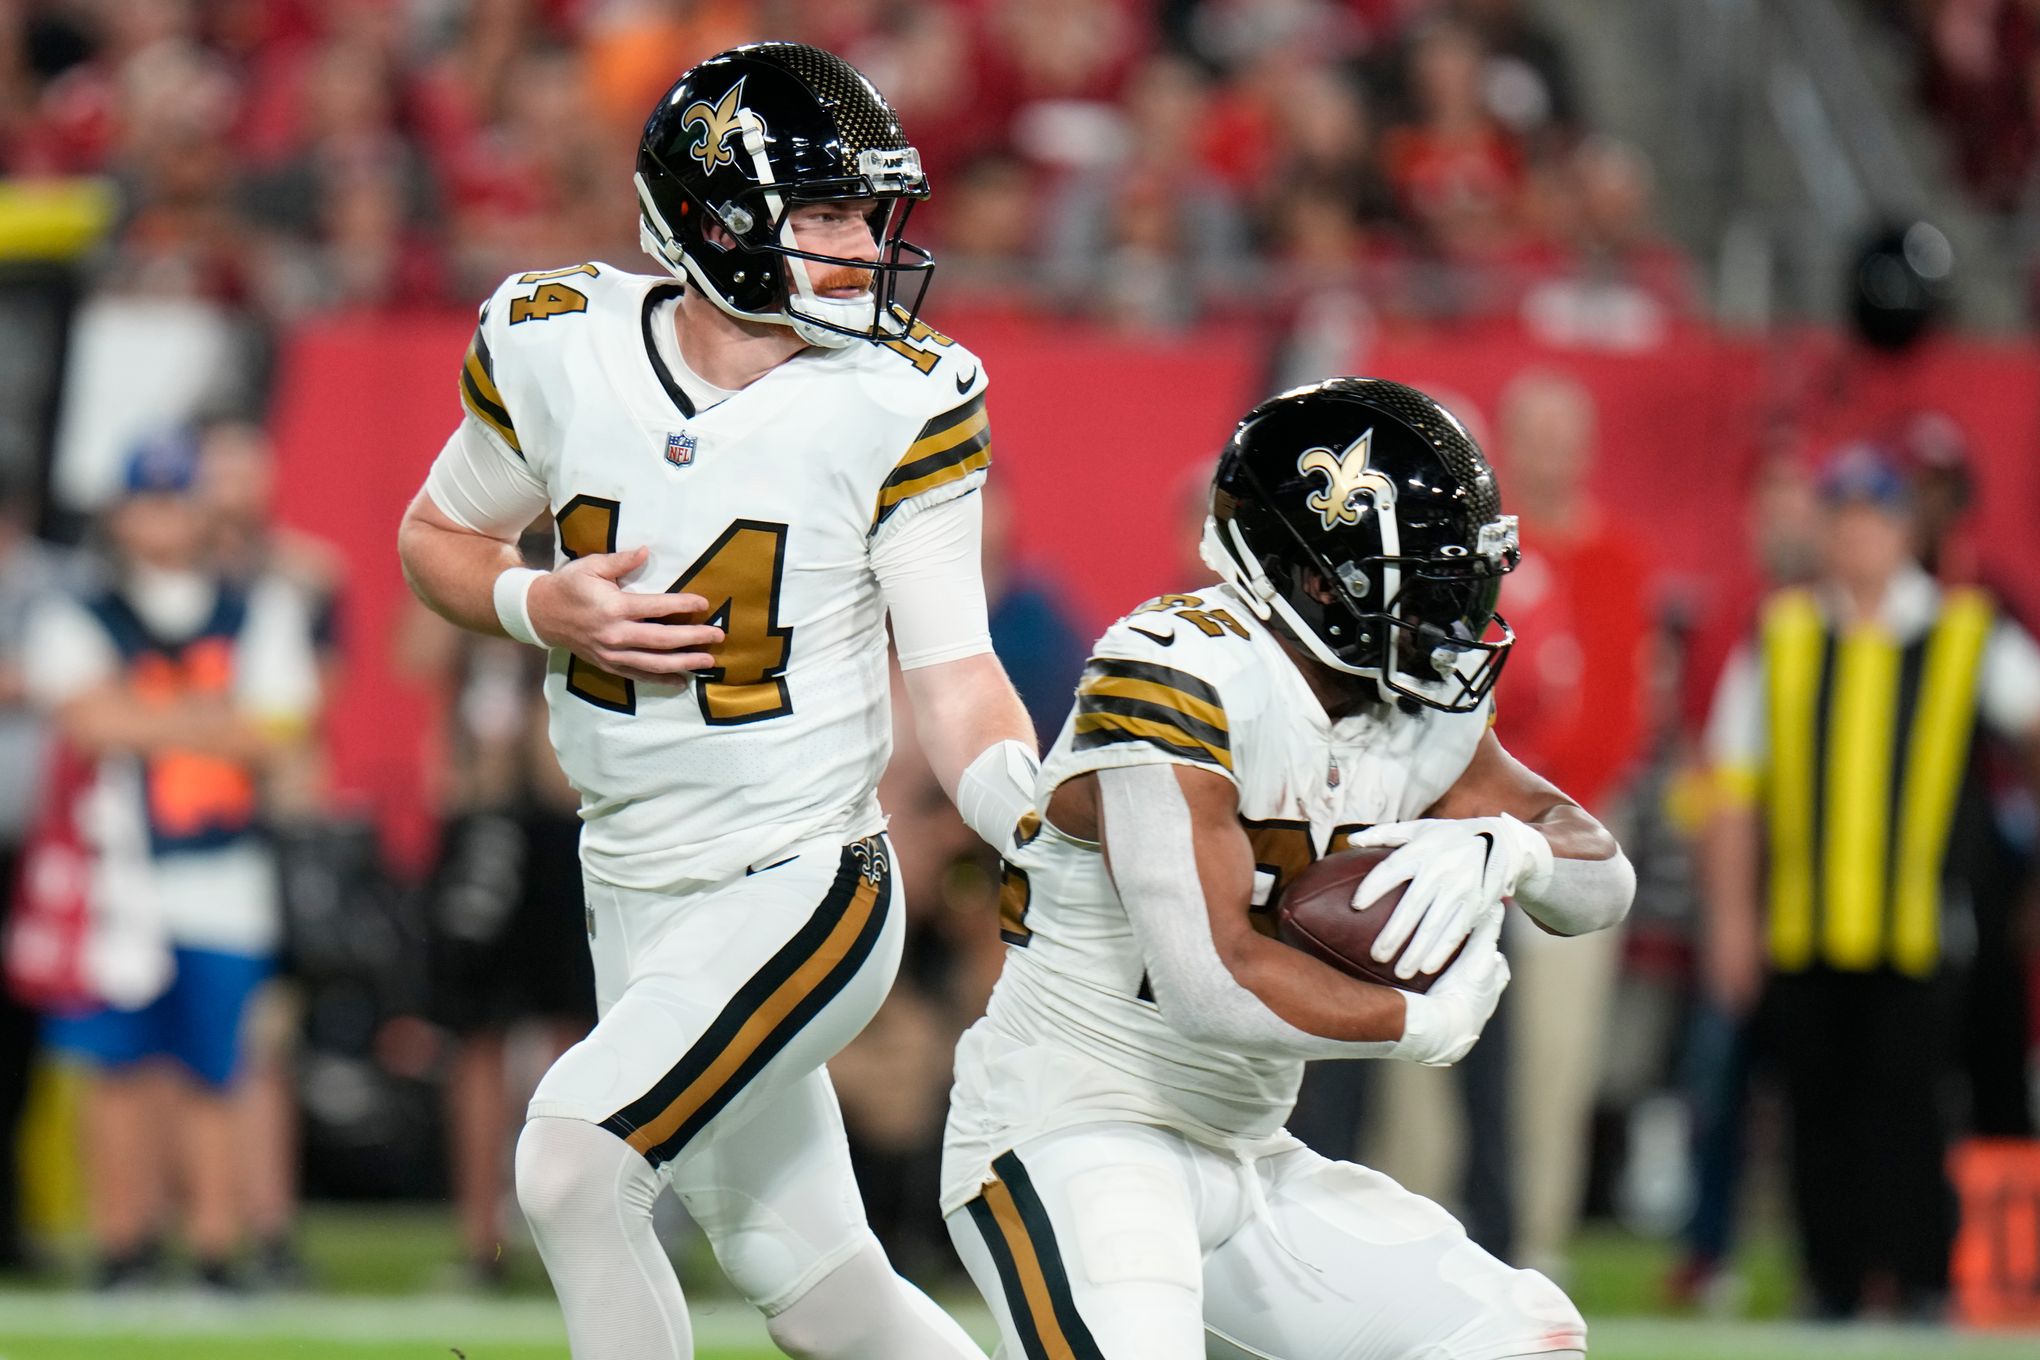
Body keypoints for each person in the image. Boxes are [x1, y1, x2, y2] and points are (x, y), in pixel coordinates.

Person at [395, 42, 1035, 1360]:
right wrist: (537, 603)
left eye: (869, 213)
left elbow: (958, 674)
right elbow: (437, 539)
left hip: (802, 876)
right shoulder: (557, 342)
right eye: (826, 214)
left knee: (573, 1166)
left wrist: (1034, 820)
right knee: (817, 1294)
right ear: (718, 220)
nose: (864, 246)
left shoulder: (902, 397)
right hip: (630, 883)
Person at [941, 378, 1635, 1359]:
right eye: (1427, 576)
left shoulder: (1409, 706)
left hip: (1250, 1155)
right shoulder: (1177, 672)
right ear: (1319, 578)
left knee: (1520, 1333)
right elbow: (1209, 981)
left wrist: (1507, 847)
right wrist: (1419, 1021)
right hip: (1075, 1132)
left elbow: (1605, 878)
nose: (1457, 607)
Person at [1703, 444, 2040, 1320]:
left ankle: (1923, 1277)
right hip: (1807, 919)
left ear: (1902, 531)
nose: (1857, 538)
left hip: (1923, 921)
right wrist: (1733, 919)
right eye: (1843, 520)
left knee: (1915, 1106)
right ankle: (1835, 1281)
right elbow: (1735, 789)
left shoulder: (1966, 630)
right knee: (1817, 1109)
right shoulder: (1781, 633)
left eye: (1874, 520)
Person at [23, 433, 320, 1288]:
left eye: (176, 499)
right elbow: (88, 723)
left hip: (224, 876)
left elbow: (277, 736)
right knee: (115, 1070)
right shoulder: (80, 608)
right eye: (146, 500)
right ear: (119, 512)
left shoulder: (256, 605)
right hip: (114, 881)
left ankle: (216, 1248)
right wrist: (211, 720)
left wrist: (145, 717)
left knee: (217, 1066)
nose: (161, 517)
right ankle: (123, 1245)